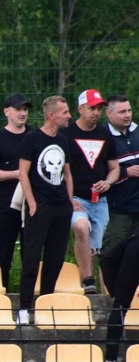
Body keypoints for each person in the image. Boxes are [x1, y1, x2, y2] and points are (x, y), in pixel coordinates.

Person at [17, 95, 75, 324]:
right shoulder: (31, 138)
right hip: (39, 207)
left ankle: (46, 302)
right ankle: (24, 308)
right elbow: (23, 173)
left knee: (55, 258)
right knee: (31, 257)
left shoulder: (62, 140)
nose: (69, 116)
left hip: (61, 207)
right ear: (52, 115)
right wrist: (32, 203)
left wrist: (69, 202)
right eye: (65, 112)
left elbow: (68, 173)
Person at [62, 89, 119, 294]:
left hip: (100, 201)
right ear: (80, 109)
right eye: (91, 108)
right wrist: (67, 199)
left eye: (99, 108)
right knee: (81, 227)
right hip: (76, 198)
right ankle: (87, 281)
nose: (96, 112)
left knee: (97, 245)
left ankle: (101, 292)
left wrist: (108, 182)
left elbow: (114, 167)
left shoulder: (105, 134)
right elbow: (60, 171)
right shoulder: (66, 134)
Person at [0, 93, 32, 291]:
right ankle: (1, 293)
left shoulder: (34, 136)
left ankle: (28, 298)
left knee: (30, 254)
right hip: (6, 205)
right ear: (6, 112)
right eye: (18, 109)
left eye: (25, 109)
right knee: (4, 254)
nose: (22, 113)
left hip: (32, 204)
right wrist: (17, 174)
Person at [101, 94, 139, 263]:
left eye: (129, 110)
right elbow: (99, 171)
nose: (127, 115)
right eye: (122, 111)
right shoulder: (103, 136)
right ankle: (111, 289)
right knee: (113, 251)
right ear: (108, 114)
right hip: (118, 208)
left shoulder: (137, 131)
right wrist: (126, 172)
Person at [100, 221, 139, 362]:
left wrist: (116, 291)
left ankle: (110, 359)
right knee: (120, 305)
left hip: (134, 247)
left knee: (120, 305)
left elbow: (106, 260)